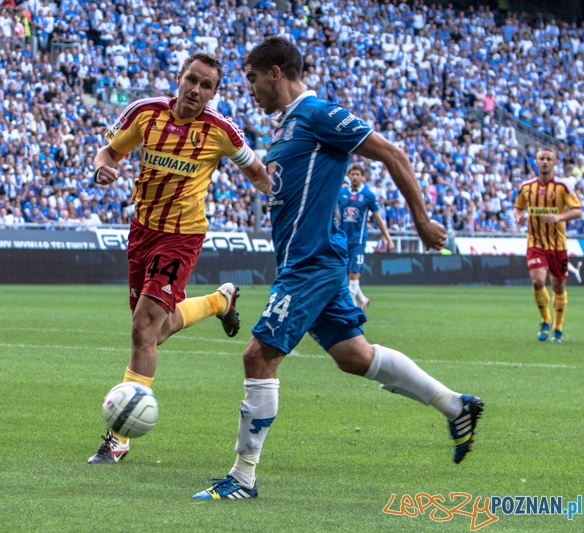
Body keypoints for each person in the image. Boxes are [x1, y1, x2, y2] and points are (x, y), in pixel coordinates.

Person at [193, 37, 483, 500]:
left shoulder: (318, 114)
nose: (247, 89)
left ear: (275, 72)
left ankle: (242, 478)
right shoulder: (287, 128)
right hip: (313, 262)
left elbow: (392, 153)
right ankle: (455, 405)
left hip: (311, 265)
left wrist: (422, 219)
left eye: (250, 78)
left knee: (258, 357)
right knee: (354, 357)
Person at [88, 52, 269, 464]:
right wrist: (102, 170)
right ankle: (218, 302)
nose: (196, 90)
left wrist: (284, 190)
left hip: (182, 237)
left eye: (207, 86)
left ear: (214, 93)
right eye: (192, 79)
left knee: (142, 328)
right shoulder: (145, 114)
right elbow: (108, 153)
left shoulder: (221, 131)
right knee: (155, 330)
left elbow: (260, 175)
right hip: (142, 232)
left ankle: (117, 438)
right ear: (180, 77)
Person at [513, 148, 582, 343]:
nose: (544, 161)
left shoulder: (563, 186)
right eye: (542, 158)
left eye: (548, 159)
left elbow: (577, 211)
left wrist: (560, 216)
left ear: (554, 163)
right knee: (537, 281)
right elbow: (518, 207)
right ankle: (546, 320)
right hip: (535, 243)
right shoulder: (527, 187)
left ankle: (558, 327)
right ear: (536, 161)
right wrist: (519, 217)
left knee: (558, 287)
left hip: (558, 245)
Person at [337, 164, 394, 310]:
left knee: (354, 276)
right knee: (345, 277)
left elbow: (377, 217)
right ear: (349, 176)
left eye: (358, 174)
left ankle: (349, 310)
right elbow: (336, 215)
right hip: (343, 241)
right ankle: (362, 300)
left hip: (358, 241)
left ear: (362, 177)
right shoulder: (342, 193)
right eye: (352, 174)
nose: (355, 177)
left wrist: (388, 237)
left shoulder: (368, 195)